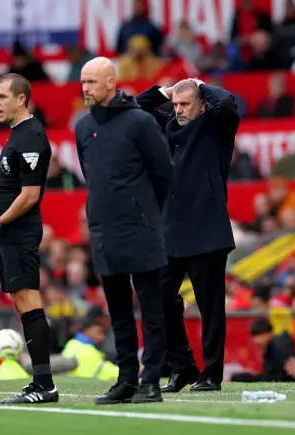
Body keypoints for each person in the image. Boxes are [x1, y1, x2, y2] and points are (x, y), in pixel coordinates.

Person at [75, 57, 174, 404]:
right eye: (83, 82)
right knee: (118, 313)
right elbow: (91, 178)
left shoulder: (140, 122)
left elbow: (164, 174)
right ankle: (127, 379)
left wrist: (143, 211)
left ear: (110, 83)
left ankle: (151, 380)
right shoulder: (83, 127)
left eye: (91, 82)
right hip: (104, 231)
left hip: (140, 228)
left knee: (151, 310)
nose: (85, 88)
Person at [136, 77, 240, 392]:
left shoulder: (217, 126)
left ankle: (211, 373)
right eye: (176, 105)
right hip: (169, 231)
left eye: (185, 104)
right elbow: (138, 107)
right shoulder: (168, 125)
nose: (178, 110)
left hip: (207, 230)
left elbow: (226, 103)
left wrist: (200, 83)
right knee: (158, 299)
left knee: (210, 308)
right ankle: (182, 367)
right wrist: (164, 92)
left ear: (201, 104)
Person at [0, 73, 56, 404]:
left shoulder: (31, 136)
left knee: (29, 301)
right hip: (13, 232)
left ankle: (45, 384)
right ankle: (41, 382)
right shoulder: (18, 135)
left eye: (1, 97)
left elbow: (29, 195)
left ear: (21, 99)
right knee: (22, 302)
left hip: (21, 231)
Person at [231, 318, 295, 382]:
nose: (255, 340)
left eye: (258, 336)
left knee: (241, 377)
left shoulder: (279, 346)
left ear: (269, 333)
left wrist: (255, 376)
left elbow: (282, 375)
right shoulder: (270, 347)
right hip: (275, 379)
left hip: (285, 380)